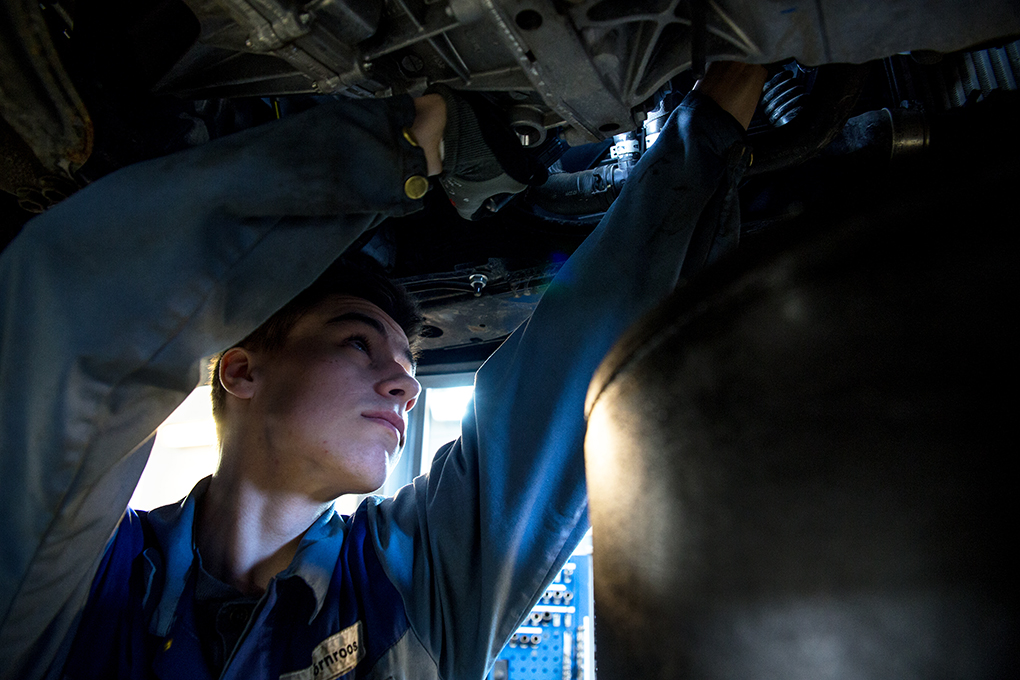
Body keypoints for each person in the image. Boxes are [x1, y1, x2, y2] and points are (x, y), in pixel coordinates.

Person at [0, 62, 766, 679]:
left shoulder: (415, 579)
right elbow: (79, 349)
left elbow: (563, 380)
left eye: (409, 366)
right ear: (240, 370)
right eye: (357, 343)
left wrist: (715, 115)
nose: (404, 386)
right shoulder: (82, 581)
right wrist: (405, 147)